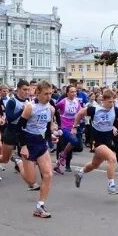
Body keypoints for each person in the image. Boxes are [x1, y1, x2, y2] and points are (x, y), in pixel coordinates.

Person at [71, 88, 118, 195]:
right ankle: (111, 186)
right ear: (103, 101)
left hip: (107, 140)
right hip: (96, 140)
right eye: (110, 102)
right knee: (112, 158)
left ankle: (80, 172)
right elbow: (80, 113)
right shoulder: (94, 109)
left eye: (113, 101)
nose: (112, 104)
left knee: (94, 164)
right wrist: (75, 126)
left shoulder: (115, 110)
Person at [18, 81, 58, 218]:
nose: (48, 96)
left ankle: (40, 206)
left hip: (40, 143)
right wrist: (23, 146)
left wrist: (51, 137)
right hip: (28, 142)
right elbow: (20, 127)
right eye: (45, 94)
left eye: (50, 93)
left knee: (48, 175)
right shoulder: (30, 107)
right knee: (31, 180)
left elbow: (47, 127)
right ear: (38, 93)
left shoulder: (51, 108)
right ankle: (19, 163)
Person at [54, 85, 83, 174]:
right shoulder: (63, 102)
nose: (74, 93)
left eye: (75, 92)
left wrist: (81, 119)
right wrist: (54, 122)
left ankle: (58, 165)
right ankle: (63, 155)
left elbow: (80, 112)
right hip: (64, 126)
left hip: (73, 126)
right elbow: (54, 110)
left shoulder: (77, 102)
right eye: (72, 92)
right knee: (73, 141)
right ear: (67, 93)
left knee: (74, 144)